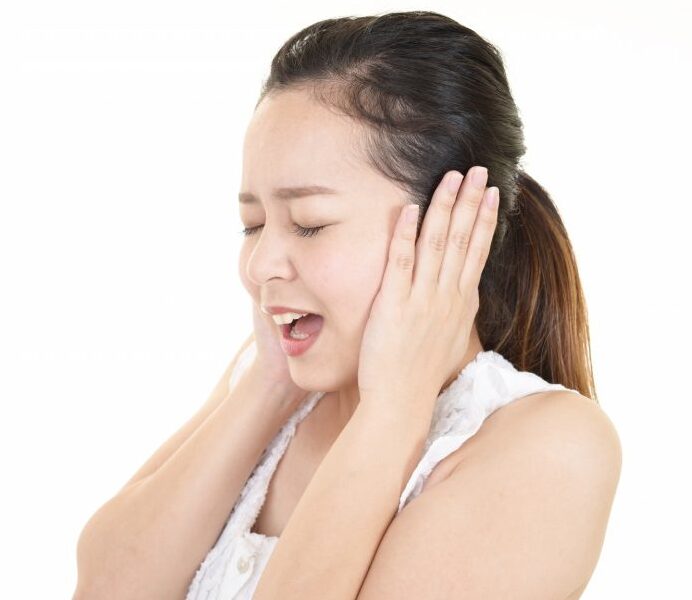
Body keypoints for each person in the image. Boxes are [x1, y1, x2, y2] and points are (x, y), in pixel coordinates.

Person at [74, 10, 621, 600]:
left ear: (451, 228)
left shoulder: (550, 447)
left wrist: (395, 408)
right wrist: (269, 387)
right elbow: (103, 589)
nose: (260, 266)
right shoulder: (268, 381)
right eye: (253, 224)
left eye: (309, 224)